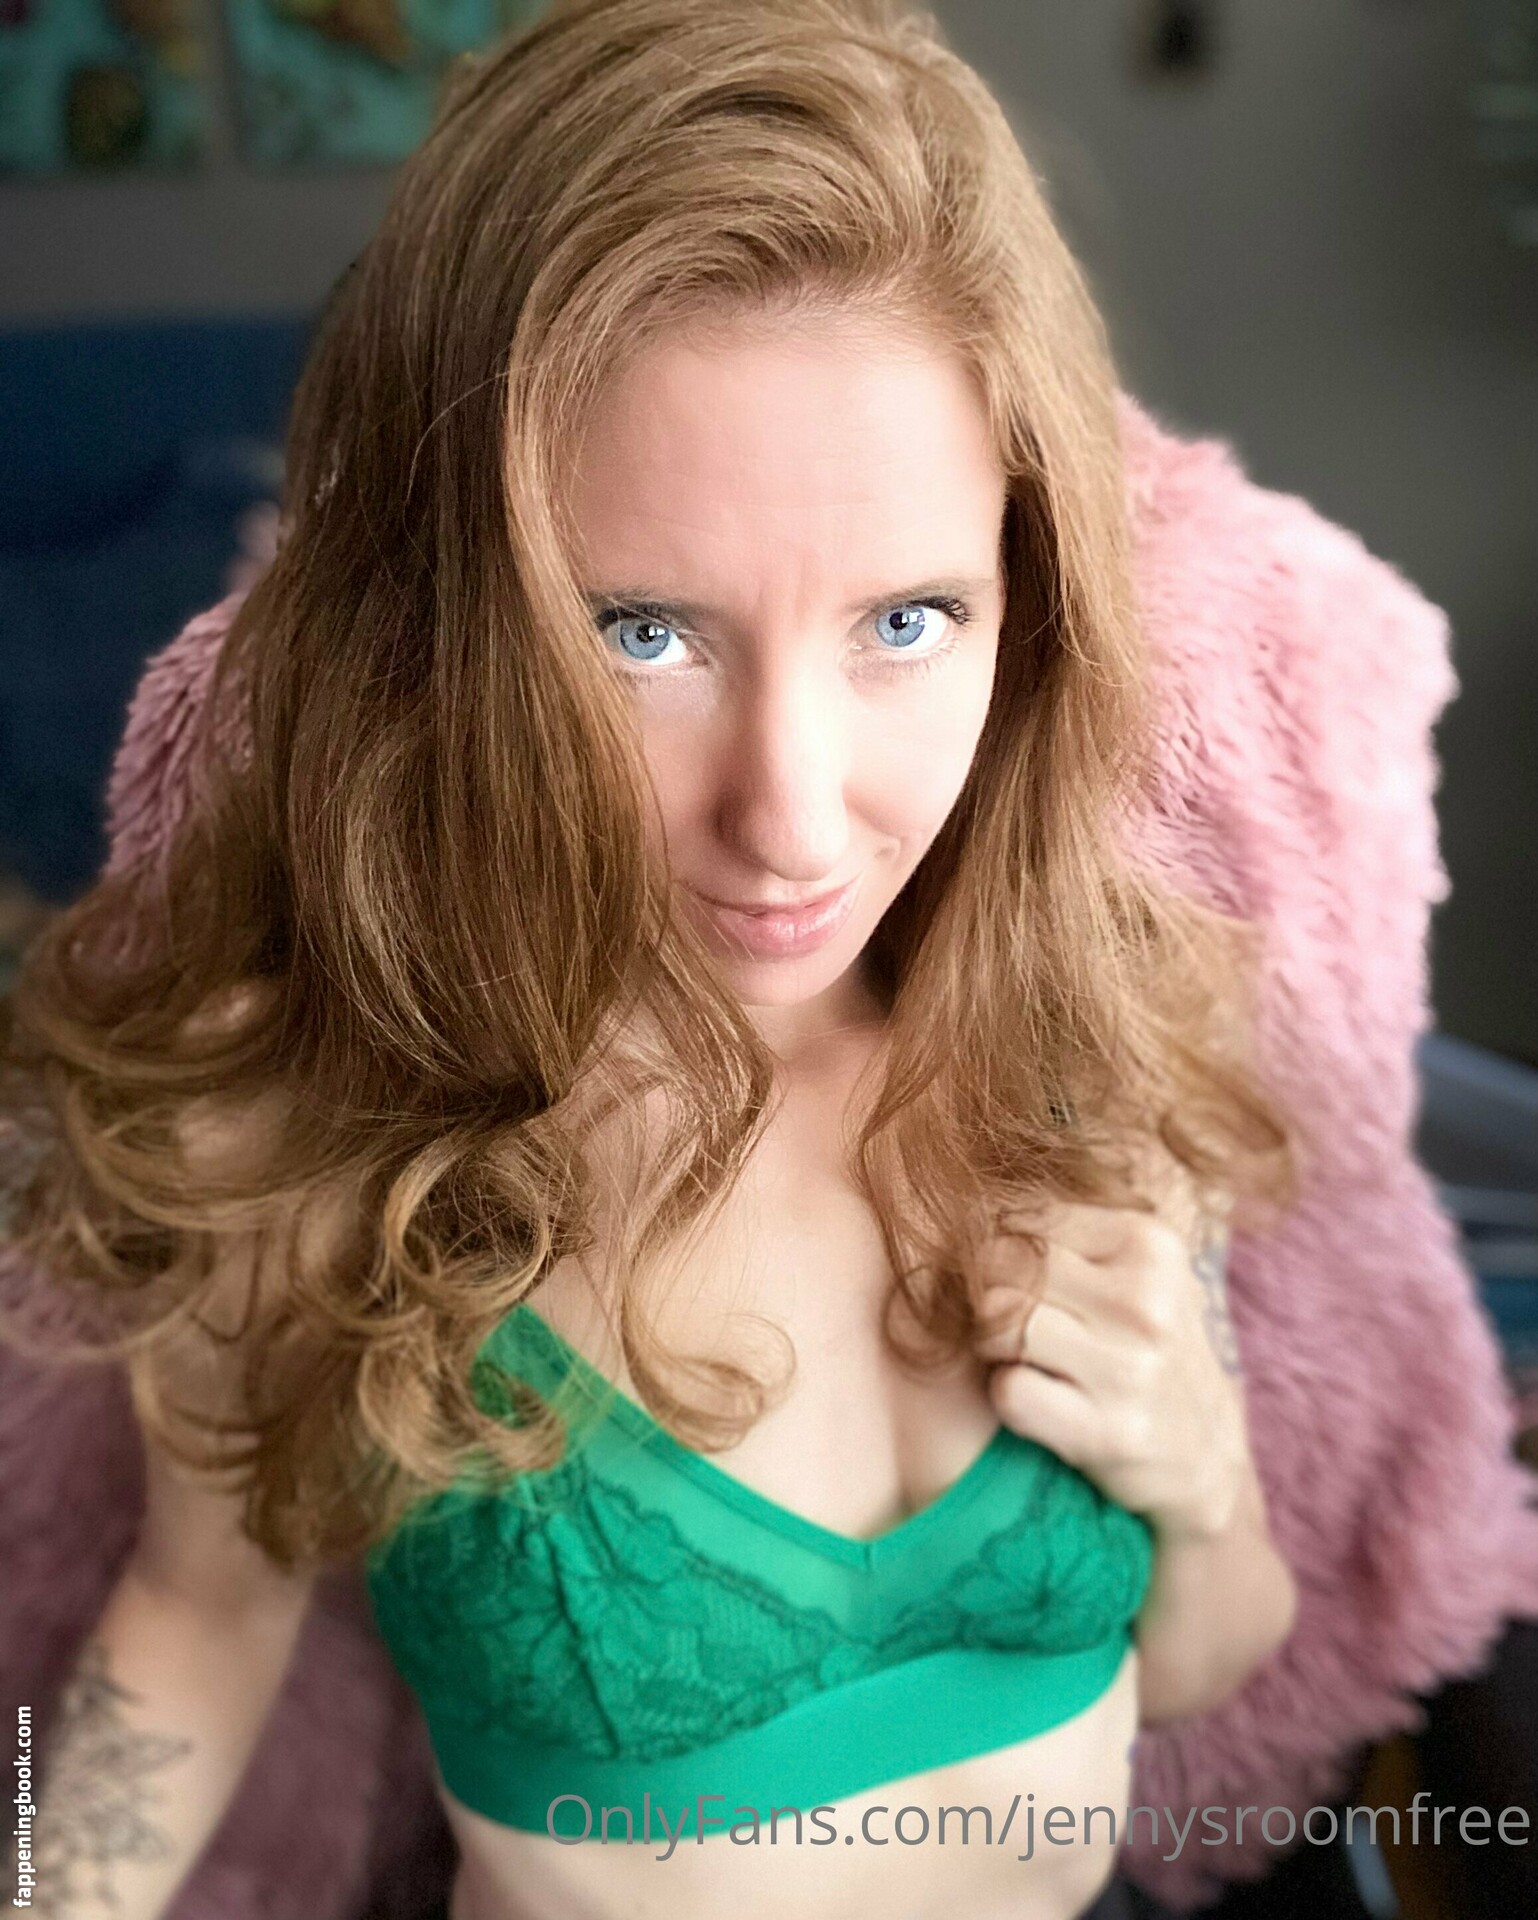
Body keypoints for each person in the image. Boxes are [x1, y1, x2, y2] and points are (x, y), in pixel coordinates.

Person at [1, 3, 1305, 1916]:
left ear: (1024, 602)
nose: (791, 821)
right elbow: (189, 1629)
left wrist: (1195, 1469)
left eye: (906, 620)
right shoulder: (310, 1130)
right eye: (643, 635)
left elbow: (1196, 1663)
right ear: (442, 629)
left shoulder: (1096, 1051)